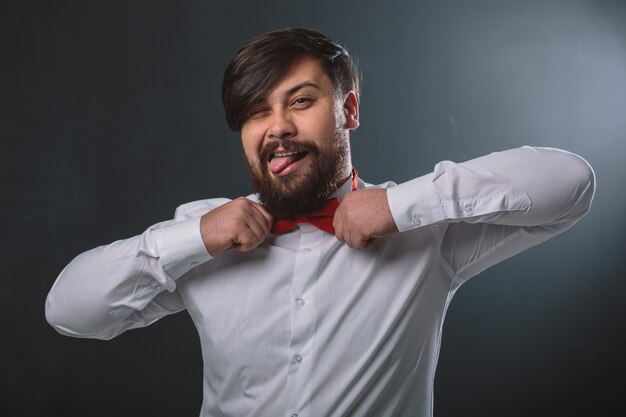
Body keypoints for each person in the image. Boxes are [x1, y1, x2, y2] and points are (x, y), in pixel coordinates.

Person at [46, 28, 595, 417]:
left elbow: (569, 182)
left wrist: (398, 206)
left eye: (300, 101)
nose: (277, 127)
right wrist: (194, 237)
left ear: (348, 111)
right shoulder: (204, 236)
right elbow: (69, 311)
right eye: (257, 111)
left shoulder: (428, 233)